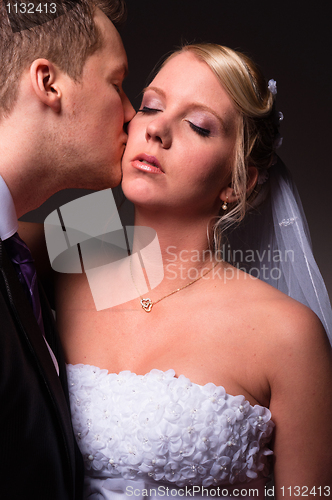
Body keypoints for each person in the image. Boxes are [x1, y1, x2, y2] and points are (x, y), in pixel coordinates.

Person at [39, 44, 332, 498]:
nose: (156, 128)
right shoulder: (77, 243)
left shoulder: (287, 331)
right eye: (151, 105)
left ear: (238, 182)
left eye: (198, 125)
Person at [0, 0, 135, 498]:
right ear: (48, 83)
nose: (133, 114)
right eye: (117, 84)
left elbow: (144, 264)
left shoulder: (29, 240)